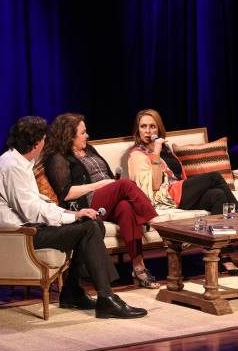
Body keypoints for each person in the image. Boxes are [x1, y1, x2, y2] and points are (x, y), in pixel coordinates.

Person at [0, 116, 147, 319]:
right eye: (44, 138)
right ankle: (105, 298)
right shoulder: (12, 166)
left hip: (30, 227)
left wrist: (72, 214)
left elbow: (37, 204)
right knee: (89, 227)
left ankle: (72, 292)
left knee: (91, 223)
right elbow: (31, 211)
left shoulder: (19, 161)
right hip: (19, 235)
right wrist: (72, 216)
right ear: (37, 142)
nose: (46, 142)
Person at [43, 113, 160, 288]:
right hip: (87, 203)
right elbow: (65, 193)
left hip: (108, 199)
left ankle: (139, 268)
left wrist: (110, 185)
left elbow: (108, 176)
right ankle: (157, 222)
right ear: (70, 135)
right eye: (83, 133)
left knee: (126, 208)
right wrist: (98, 186)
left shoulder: (89, 149)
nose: (87, 135)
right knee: (125, 185)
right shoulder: (58, 157)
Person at [127, 109, 238, 276]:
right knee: (214, 177)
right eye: (143, 126)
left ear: (158, 128)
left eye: (152, 126)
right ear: (137, 130)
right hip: (165, 196)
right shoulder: (137, 155)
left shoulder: (166, 148)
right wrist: (156, 152)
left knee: (218, 195)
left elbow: (180, 176)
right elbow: (152, 187)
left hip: (180, 192)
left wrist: (160, 149)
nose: (148, 131)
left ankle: (222, 257)